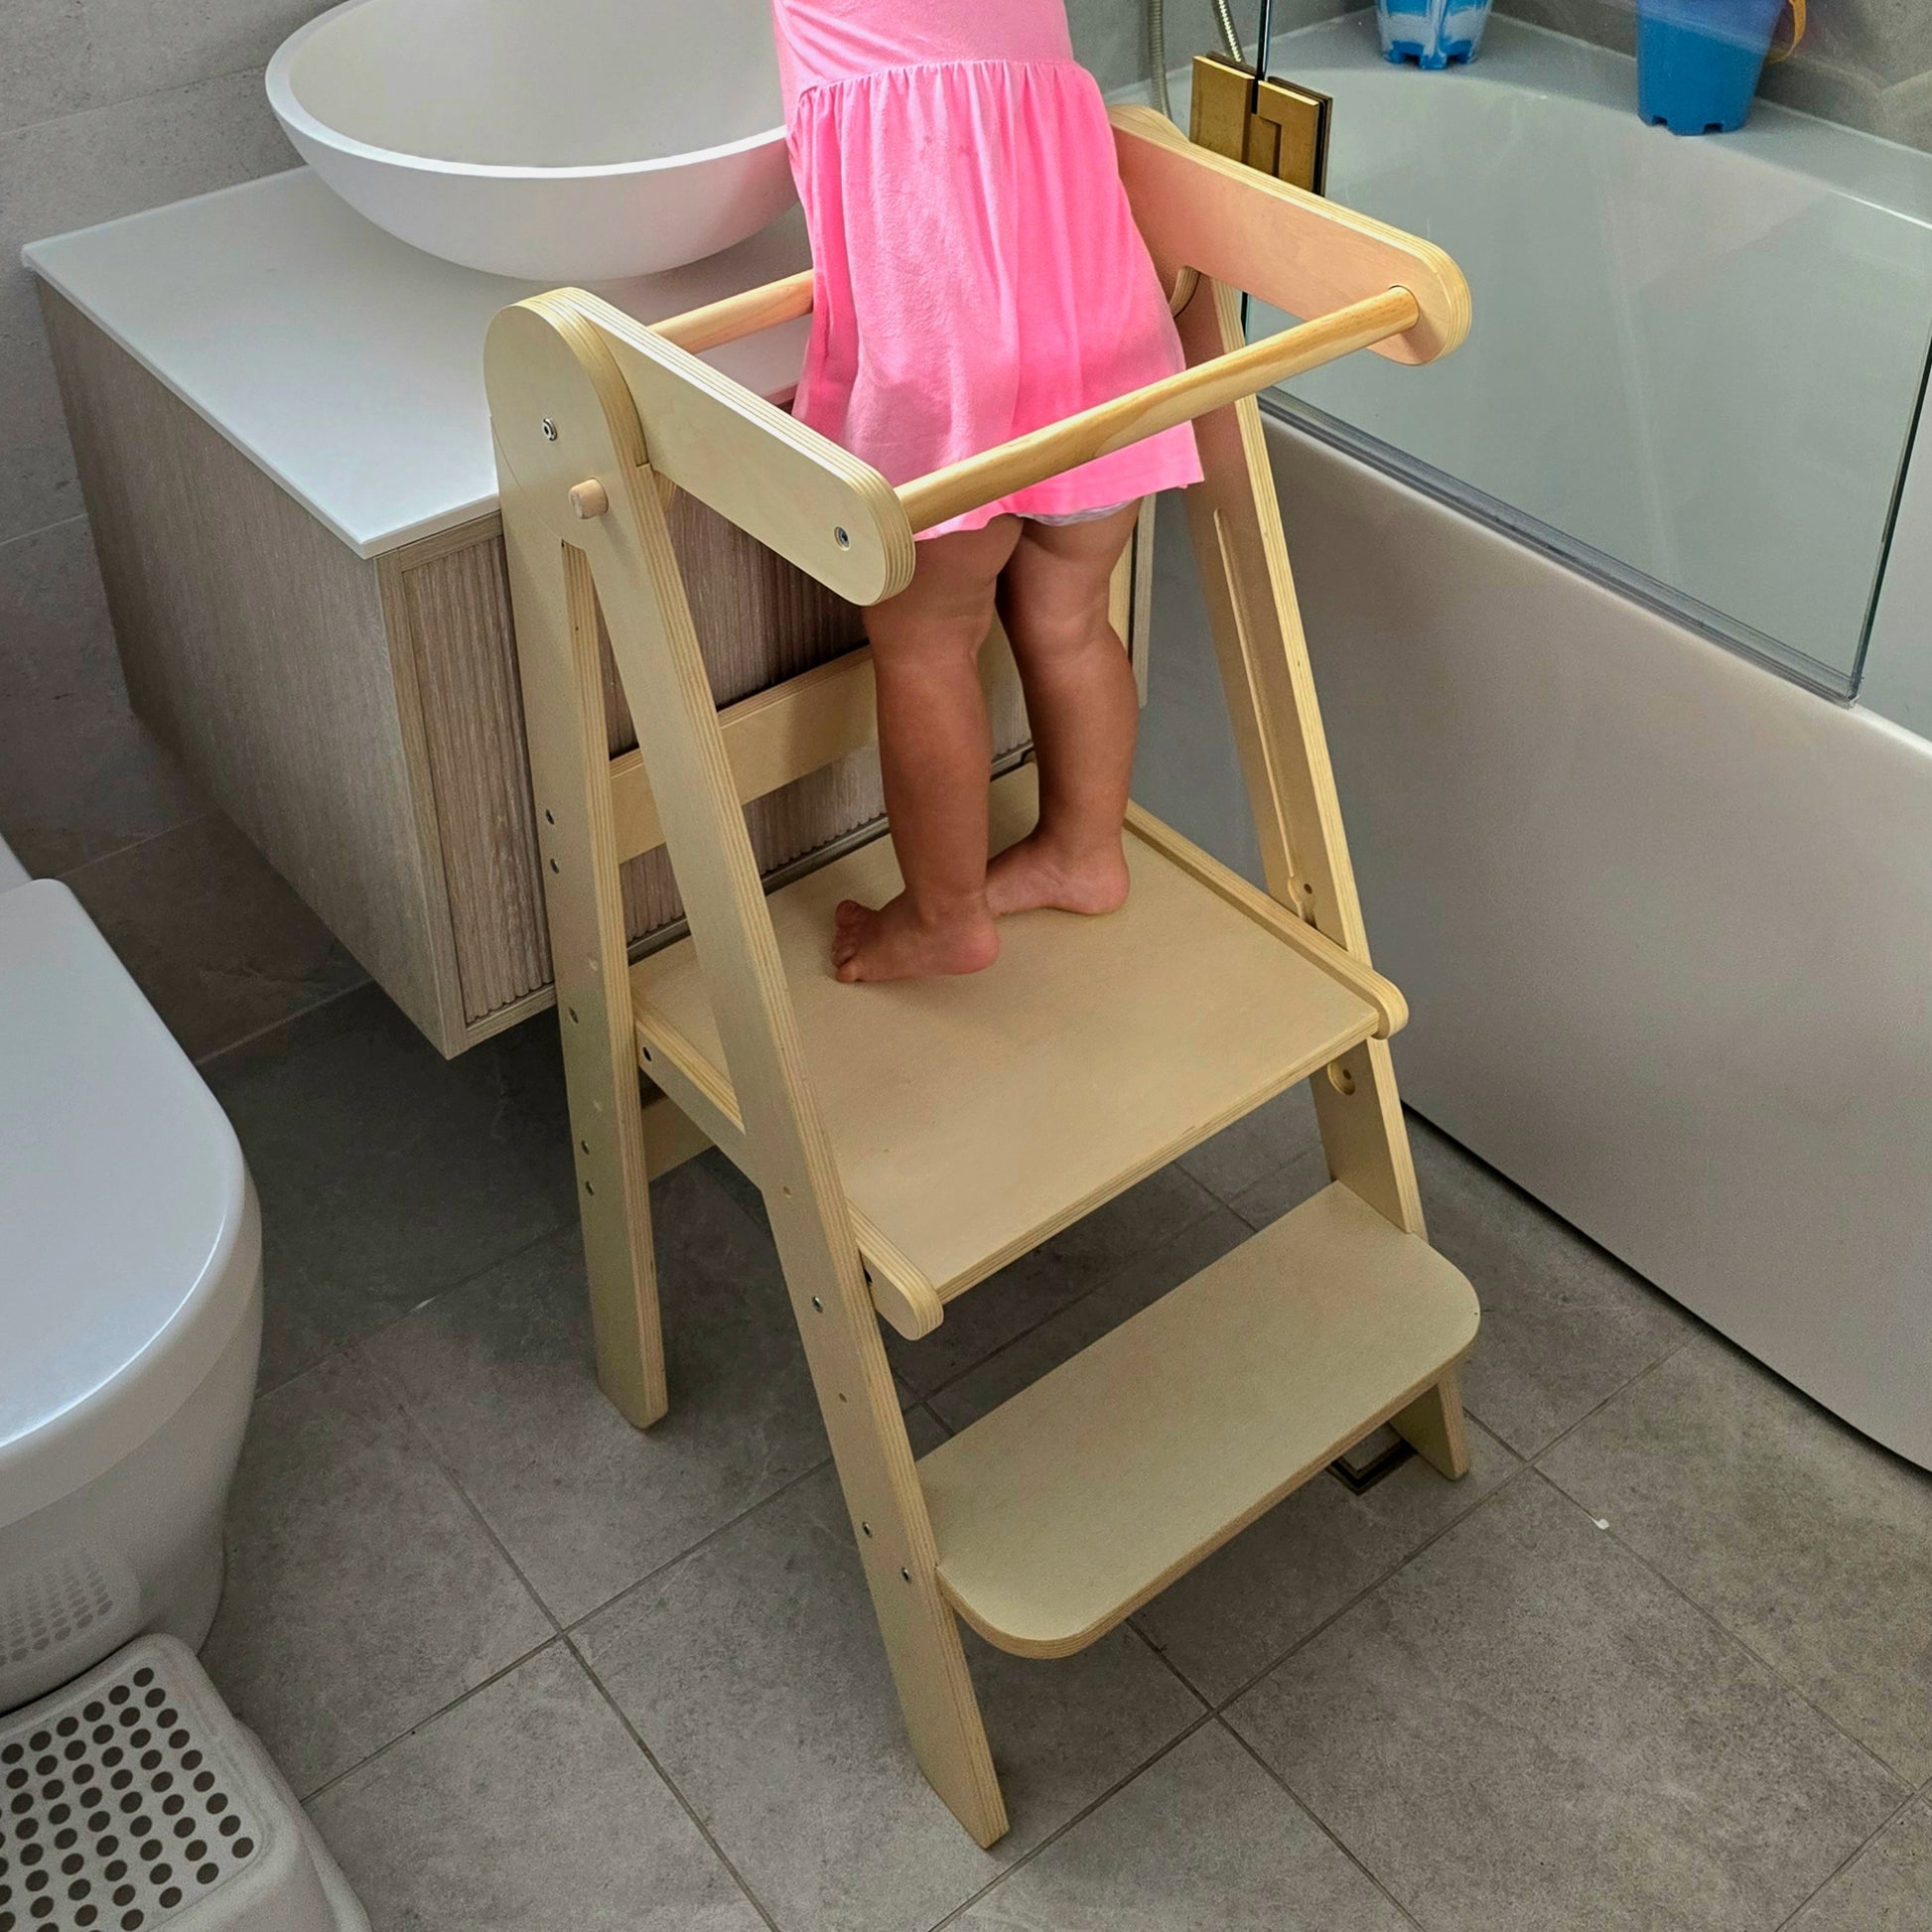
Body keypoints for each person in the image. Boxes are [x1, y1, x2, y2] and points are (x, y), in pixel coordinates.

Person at [771, 0, 1202, 982]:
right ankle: (1083, 853)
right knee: (1072, 621)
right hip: (1097, 326)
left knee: (926, 641)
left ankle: (944, 915)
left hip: (952, 361)